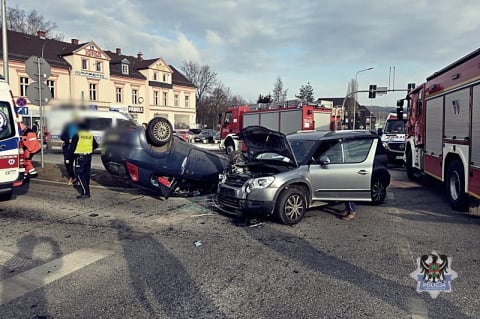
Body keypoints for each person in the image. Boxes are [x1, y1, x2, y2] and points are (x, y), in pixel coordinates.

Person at [66, 121, 98, 199]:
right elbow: (96, 145)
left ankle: (85, 193)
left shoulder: (77, 134)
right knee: (86, 174)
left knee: (79, 174)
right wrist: (90, 150)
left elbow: (72, 148)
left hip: (80, 157)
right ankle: (87, 192)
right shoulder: (90, 135)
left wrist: (68, 158)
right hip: (88, 156)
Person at [60, 120, 79, 185]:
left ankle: (78, 179)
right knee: (67, 163)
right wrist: (68, 140)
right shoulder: (67, 127)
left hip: (77, 148)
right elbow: (62, 136)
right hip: (68, 147)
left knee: (78, 164)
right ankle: (71, 176)